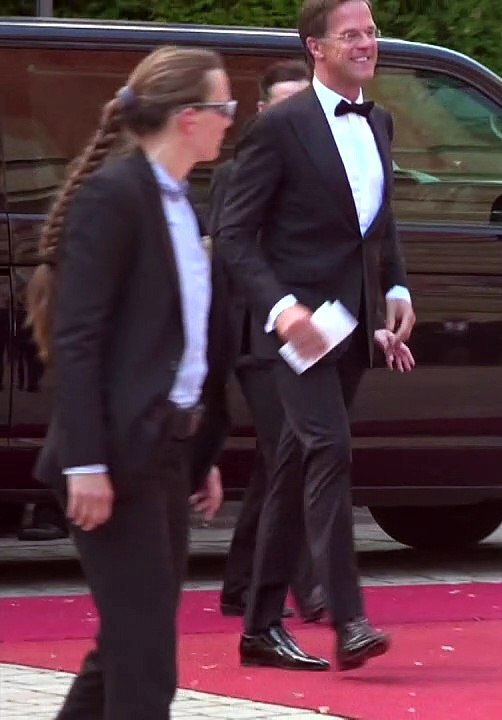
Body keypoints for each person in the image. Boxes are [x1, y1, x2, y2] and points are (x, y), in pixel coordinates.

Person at [25, 45, 234, 719]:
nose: (233, 119)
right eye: (224, 106)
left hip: (163, 454)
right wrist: (86, 460)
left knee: (126, 645)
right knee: (145, 662)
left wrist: (199, 454)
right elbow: (78, 342)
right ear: (189, 117)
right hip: (112, 457)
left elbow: (183, 346)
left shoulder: (176, 203)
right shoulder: (114, 198)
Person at [215, 0, 413, 672]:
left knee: (295, 467)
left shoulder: (379, 120)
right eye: (350, 34)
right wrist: (281, 310)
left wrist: (395, 292)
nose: (365, 43)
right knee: (328, 449)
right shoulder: (280, 128)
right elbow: (236, 237)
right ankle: (348, 618)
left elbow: (377, 224)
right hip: (291, 331)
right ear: (315, 48)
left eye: (370, 33)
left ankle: (260, 627)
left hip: (351, 325)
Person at [210, 59, 324, 624]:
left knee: (277, 460)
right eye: (284, 103)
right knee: (294, 452)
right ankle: (310, 588)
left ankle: (240, 585)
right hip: (258, 338)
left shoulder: (325, 169)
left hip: (310, 335)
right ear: (262, 111)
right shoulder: (241, 171)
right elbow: (233, 256)